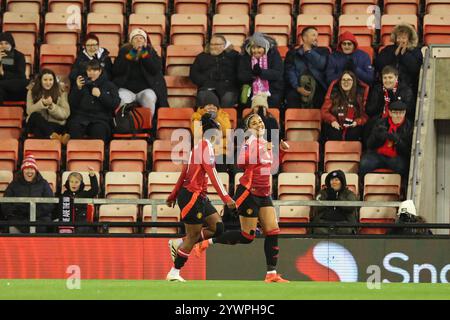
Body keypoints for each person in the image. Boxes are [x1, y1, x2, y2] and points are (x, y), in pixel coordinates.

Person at [195, 114, 291, 283]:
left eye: (260, 121)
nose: (259, 124)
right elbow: (241, 162)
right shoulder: (249, 143)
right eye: (254, 123)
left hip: (264, 193)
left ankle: (271, 274)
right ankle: (208, 242)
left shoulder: (265, 144)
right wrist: (261, 149)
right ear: (248, 129)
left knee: (273, 231)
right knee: (247, 237)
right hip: (249, 193)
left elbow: (272, 166)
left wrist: (281, 151)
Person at [165, 113, 236, 282]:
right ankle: (174, 272)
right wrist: (226, 198)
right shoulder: (206, 148)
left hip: (198, 196)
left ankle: (179, 243)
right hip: (192, 196)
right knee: (194, 236)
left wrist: (173, 194)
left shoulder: (198, 147)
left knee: (217, 227)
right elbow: (213, 174)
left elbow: (184, 172)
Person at [113, 28, 168, 118]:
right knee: (121, 99)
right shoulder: (123, 52)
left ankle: (147, 126)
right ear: (131, 41)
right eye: (135, 38)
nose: (138, 40)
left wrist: (143, 53)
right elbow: (117, 71)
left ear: (145, 41)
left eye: (141, 38)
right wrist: (132, 54)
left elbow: (154, 69)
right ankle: (124, 126)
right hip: (126, 89)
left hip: (145, 89)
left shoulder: (151, 52)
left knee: (149, 97)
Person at [68, 59, 120, 142]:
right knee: (74, 128)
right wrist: (78, 89)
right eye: (89, 70)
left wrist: (101, 95)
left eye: (95, 70)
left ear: (100, 71)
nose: (91, 73)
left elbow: (115, 104)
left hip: (101, 119)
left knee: (98, 130)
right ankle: (77, 154)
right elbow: (72, 103)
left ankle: (97, 154)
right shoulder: (81, 84)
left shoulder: (110, 85)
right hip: (81, 117)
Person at [1, 154, 54, 233]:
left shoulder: (44, 183)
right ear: (22, 170)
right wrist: (17, 212)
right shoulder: (14, 184)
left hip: (40, 219)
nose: (29, 171)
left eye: (32, 169)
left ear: (35, 171)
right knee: (12, 228)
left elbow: (50, 203)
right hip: (18, 220)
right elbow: (6, 203)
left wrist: (34, 213)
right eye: (27, 169)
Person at [359, 100, 413, 177]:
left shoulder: (409, 127)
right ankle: (362, 185)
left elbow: (408, 151)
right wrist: (377, 137)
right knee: (365, 163)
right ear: (390, 113)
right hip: (378, 154)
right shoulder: (380, 123)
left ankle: (402, 187)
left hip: (396, 157)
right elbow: (369, 145)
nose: (398, 116)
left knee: (402, 167)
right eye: (395, 113)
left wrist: (398, 141)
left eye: (401, 113)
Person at [364, 65, 415, 145]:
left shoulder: (405, 90)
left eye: (390, 77)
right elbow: (369, 110)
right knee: (371, 125)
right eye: (385, 78)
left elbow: (409, 110)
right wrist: (380, 100)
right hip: (381, 118)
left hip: (400, 119)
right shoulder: (378, 89)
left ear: (396, 78)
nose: (387, 80)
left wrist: (393, 99)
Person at [190, 34, 240, 107]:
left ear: (224, 45)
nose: (213, 47)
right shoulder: (201, 57)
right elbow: (194, 75)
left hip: (228, 88)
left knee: (227, 100)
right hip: (207, 88)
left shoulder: (233, 56)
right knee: (211, 103)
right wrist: (205, 81)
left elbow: (240, 73)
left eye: (216, 44)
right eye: (212, 44)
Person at [284, 26, 329, 108]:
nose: (316, 38)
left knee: (321, 97)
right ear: (304, 37)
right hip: (298, 86)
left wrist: (309, 52)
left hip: (318, 86)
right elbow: (290, 72)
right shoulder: (292, 53)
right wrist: (297, 87)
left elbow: (321, 65)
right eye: (313, 35)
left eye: (317, 36)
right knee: (292, 97)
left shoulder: (323, 51)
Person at [237, 32, 284, 107]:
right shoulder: (245, 56)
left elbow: (278, 73)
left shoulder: (273, 55)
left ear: (265, 47)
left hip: (272, 89)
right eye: (253, 48)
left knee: (274, 101)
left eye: (259, 47)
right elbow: (241, 76)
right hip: (251, 89)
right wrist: (253, 74)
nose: (255, 51)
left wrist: (261, 72)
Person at [375, 23, 423, 95]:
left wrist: (404, 54)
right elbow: (379, 65)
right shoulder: (387, 49)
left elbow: (415, 69)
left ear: (409, 38)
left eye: (403, 38)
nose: (401, 40)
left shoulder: (415, 51)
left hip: (408, 86)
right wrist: (394, 55)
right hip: (387, 84)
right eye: (399, 37)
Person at [26, 68, 71, 144]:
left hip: (54, 124)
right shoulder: (32, 91)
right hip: (35, 122)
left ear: (54, 81)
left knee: (38, 130)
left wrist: (51, 106)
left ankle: (51, 139)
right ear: (40, 80)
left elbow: (65, 114)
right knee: (35, 116)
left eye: (51, 80)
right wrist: (41, 104)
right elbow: (29, 111)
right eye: (45, 80)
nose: (48, 82)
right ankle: (58, 138)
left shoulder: (61, 92)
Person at [321, 71, 369, 141]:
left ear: (354, 82)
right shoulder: (334, 94)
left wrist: (357, 122)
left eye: (349, 80)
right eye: (343, 80)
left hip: (353, 127)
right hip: (336, 126)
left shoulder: (360, 97)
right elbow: (324, 112)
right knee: (334, 134)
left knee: (354, 134)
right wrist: (332, 121)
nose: (346, 82)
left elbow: (364, 116)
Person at [191, 91, 231, 172]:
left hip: (220, 152)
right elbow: (198, 134)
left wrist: (216, 117)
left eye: (214, 105)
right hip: (204, 150)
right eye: (209, 105)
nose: (211, 107)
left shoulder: (223, 115)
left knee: (221, 162)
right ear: (203, 106)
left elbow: (227, 130)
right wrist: (205, 118)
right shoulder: (197, 116)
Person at [312, 170, 358, 235]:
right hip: (324, 224)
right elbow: (316, 207)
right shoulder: (323, 193)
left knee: (346, 231)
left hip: (344, 225)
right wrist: (328, 200)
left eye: (336, 180)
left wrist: (337, 199)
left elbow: (351, 207)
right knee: (318, 230)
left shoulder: (349, 194)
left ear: (342, 182)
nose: (334, 182)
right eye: (332, 180)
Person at [60, 167, 99, 234]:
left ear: (81, 183)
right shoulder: (64, 194)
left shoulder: (84, 194)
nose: (73, 184)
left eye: (76, 182)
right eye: (71, 182)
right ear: (68, 183)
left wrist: (92, 176)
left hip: (81, 223)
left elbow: (94, 191)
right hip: (67, 222)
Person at [0, 32, 28, 104]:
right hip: (3, 92)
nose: (3, 46)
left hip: (16, 88)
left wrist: (3, 73)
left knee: (28, 82)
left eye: (6, 43)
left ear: (11, 44)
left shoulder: (19, 56)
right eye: (1, 43)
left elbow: (21, 76)